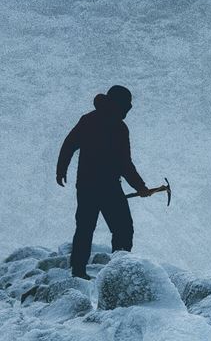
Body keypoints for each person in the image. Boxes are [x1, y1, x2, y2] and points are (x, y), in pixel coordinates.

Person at [56, 84, 150, 278]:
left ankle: (79, 270)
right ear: (118, 104)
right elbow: (125, 164)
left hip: (87, 185)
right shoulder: (118, 128)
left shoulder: (90, 120)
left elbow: (69, 144)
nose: (127, 110)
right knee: (123, 228)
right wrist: (140, 187)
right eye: (126, 106)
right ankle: (118, 271)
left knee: (85, 227)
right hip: (108, 188)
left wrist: (61, 169)